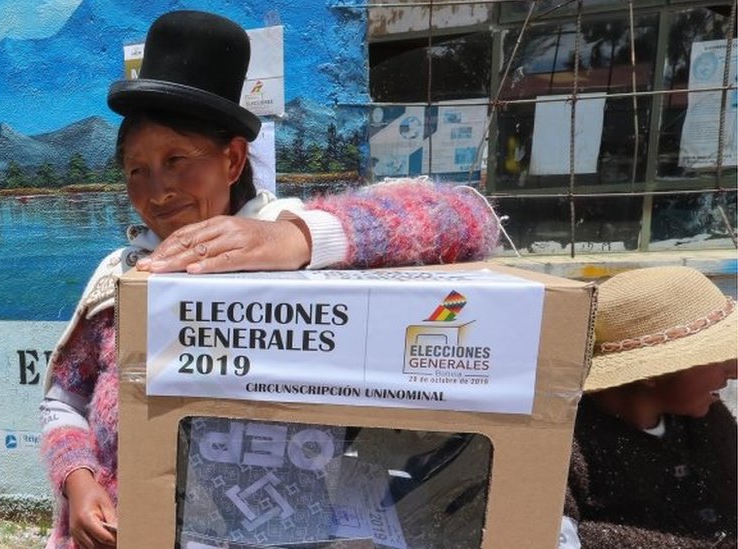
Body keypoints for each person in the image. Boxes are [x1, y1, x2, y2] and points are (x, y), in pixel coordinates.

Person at [39, 10, 501, 549]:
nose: (157, 191)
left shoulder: (296, 246)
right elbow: (64, 402)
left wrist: (298, 239)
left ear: (233, 160)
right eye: (136, 170)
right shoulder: (123, 278)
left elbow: (469, 219)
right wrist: (79, 480)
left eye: (177, 159)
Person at [563, 266, 737, 548]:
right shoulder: (568, 449)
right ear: (651, 373)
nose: (735, 371)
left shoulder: (710, 423)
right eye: (717, 358)